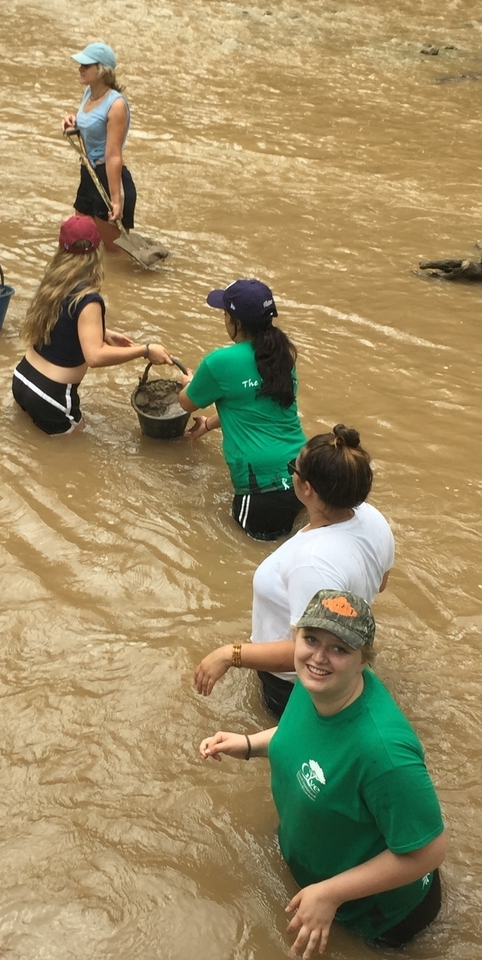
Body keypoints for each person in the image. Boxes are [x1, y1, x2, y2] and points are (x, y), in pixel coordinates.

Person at [200, 590, 446, 956]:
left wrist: (330, 894)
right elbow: (304, 738)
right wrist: (251, 744)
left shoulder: (385, 754)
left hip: (379, 913)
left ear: (364, 660)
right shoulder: (318, 685)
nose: (318, 657)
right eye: (311, 639)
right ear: (296, 637)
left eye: (339, 649)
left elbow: (429, 851)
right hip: (320, 871)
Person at [195, 424, 394, 717]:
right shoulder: (373, 519)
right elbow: (381, 584)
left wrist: (231, 655)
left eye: (294, 468)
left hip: (295, 685)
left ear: (306, 487)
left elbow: (310, 653)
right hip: (338, 669)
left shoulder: (312, 562)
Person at [13, 215, 173, 435]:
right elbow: (95, 357)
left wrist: (103, 333)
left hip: (22, 378)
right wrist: (145, 350)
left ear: (61, 247)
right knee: (74, 461)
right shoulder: (88, 299)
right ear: (98, 250)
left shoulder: (53, 281)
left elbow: (60, 322)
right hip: (52, 397)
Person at [178, 278, 306, 541]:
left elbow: (185, 403)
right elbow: (253, 405)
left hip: (261, 490)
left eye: (225, 313)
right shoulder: (282, 356)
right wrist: (210, 424)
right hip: (305, 479)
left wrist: (190, 383)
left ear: (235, 322)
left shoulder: (219, 362)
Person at [61, 41, 135, 250]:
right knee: (80, 244)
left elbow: (113, 155)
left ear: (101, 70)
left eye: (86, 65)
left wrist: (116, 201)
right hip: (88, 175)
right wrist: (73, 120)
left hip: (107, 178)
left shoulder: (116, 105)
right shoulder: (89, 93)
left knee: (114, 254)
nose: (80, 69)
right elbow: (91, 122)